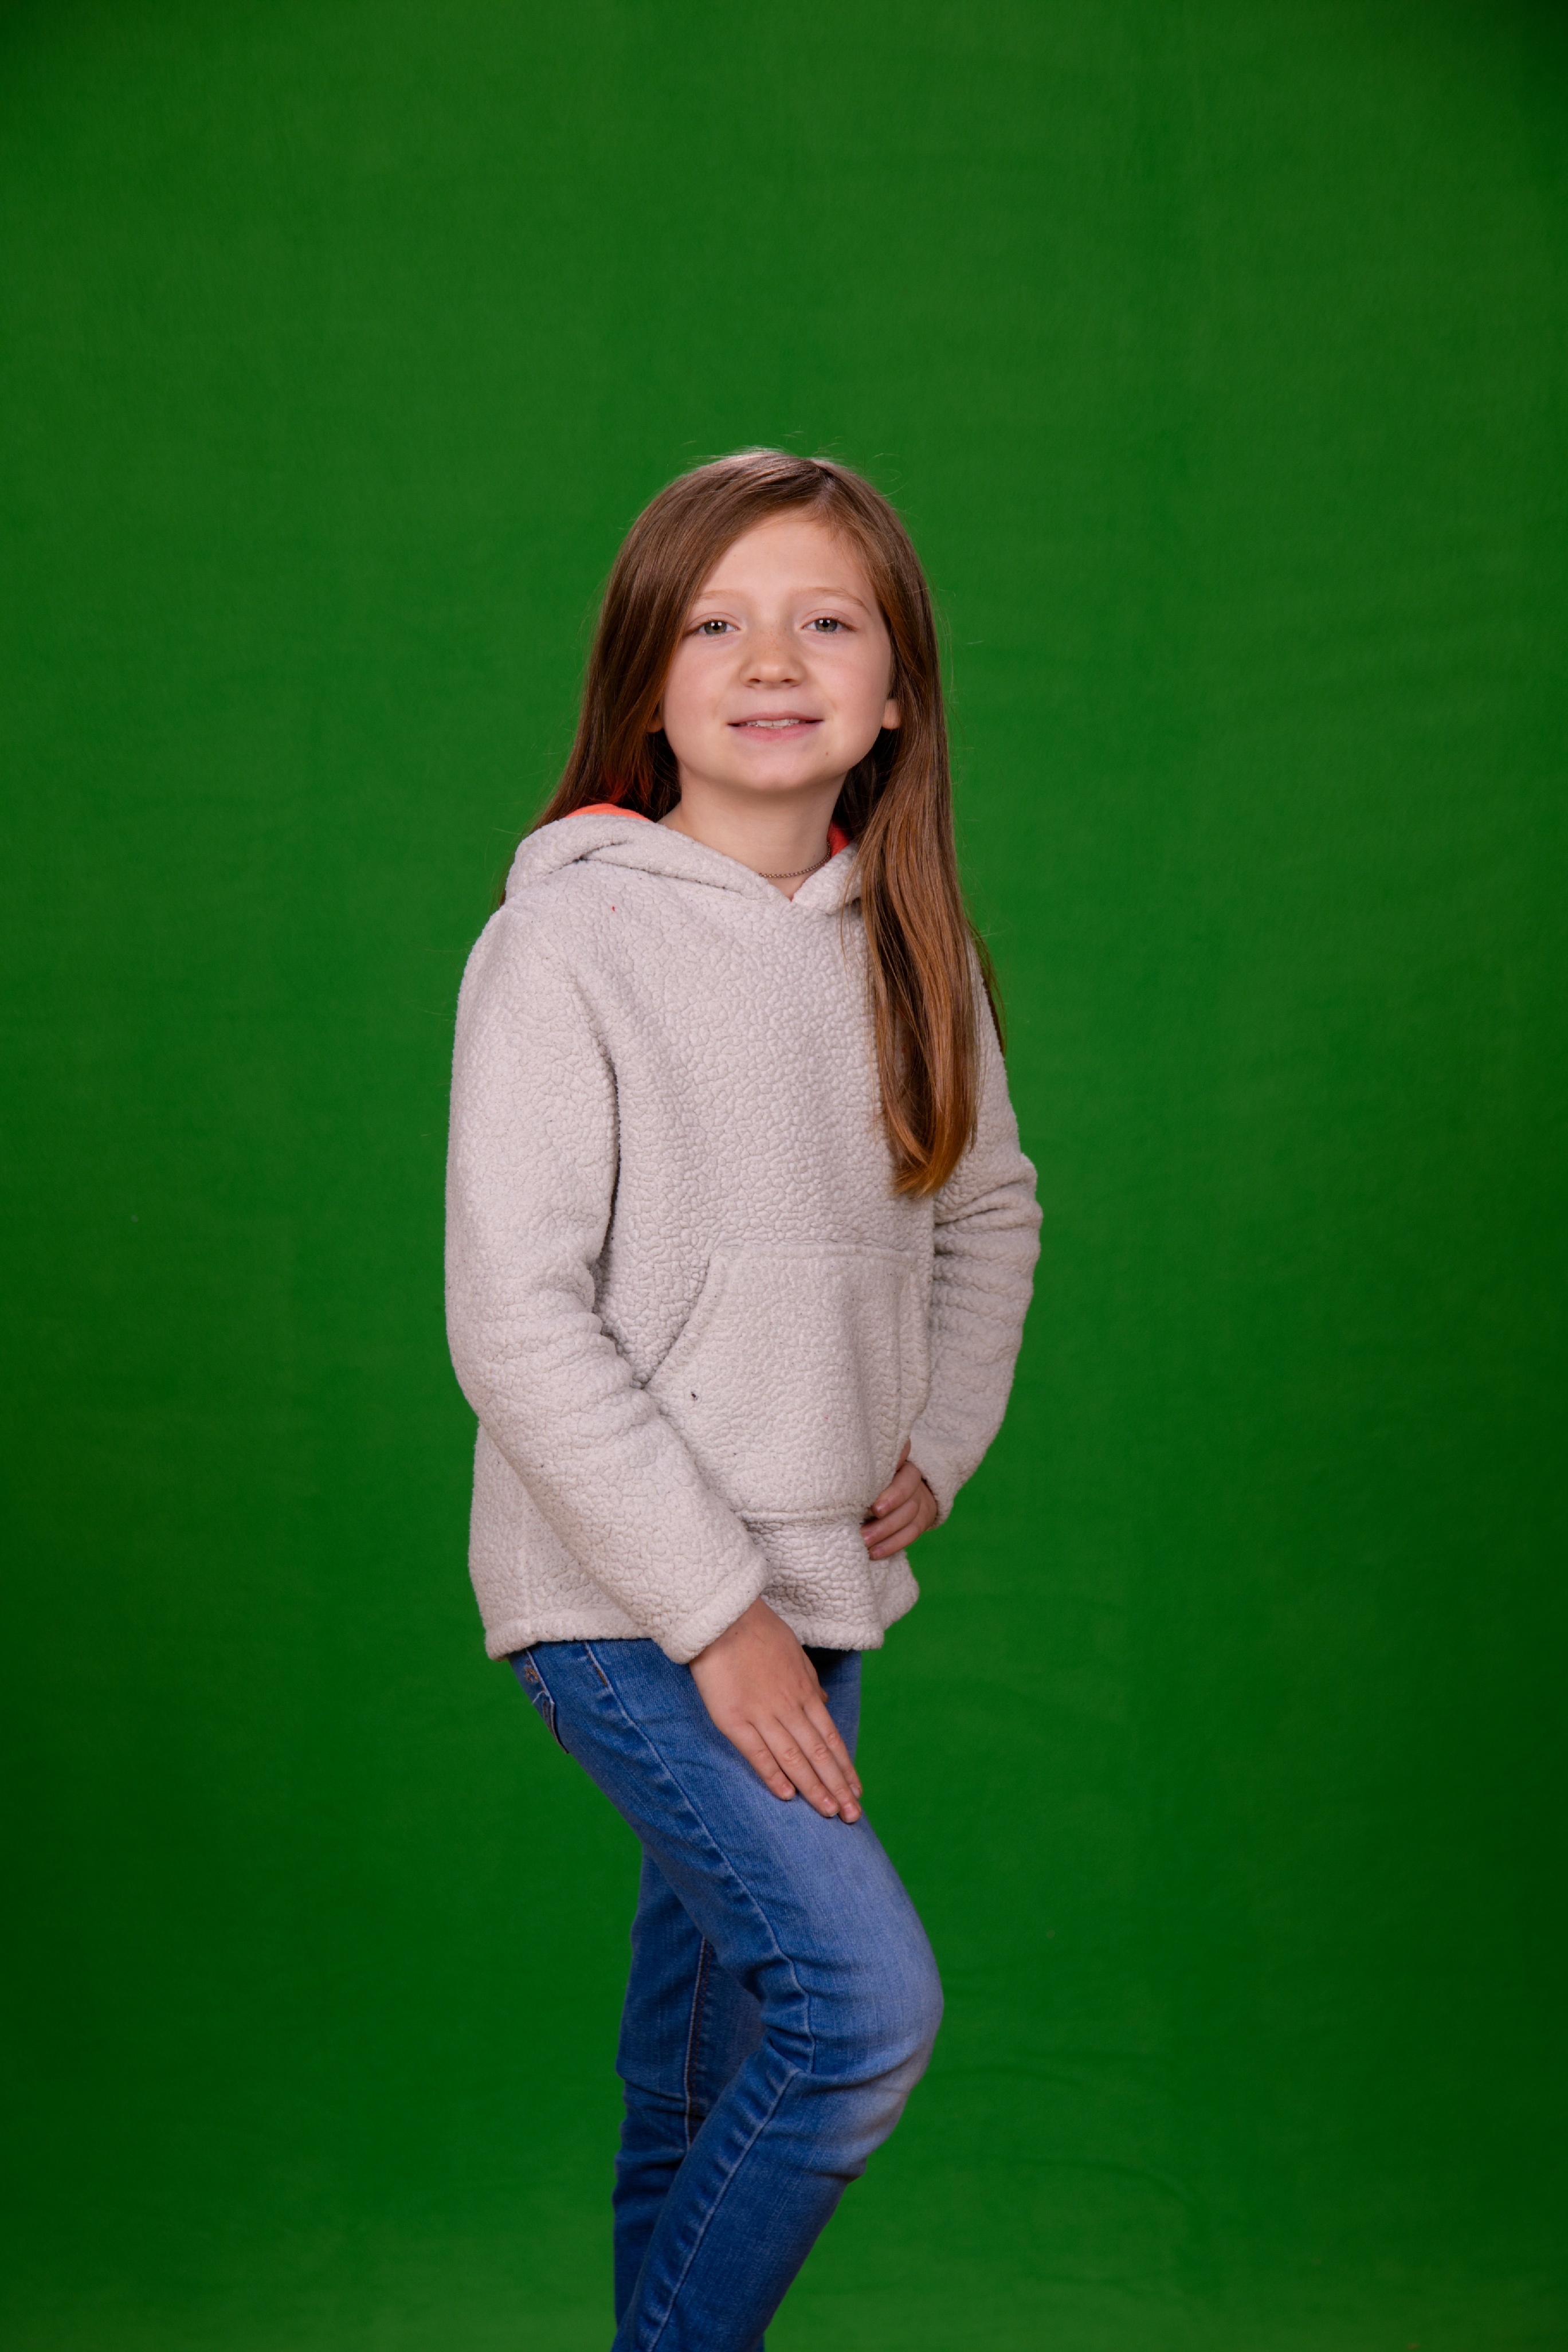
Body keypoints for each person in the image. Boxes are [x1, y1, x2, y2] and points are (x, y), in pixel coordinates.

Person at [445, 449, 1040, 2350]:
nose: (772, 660)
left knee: (698, 2087)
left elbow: (989, 1208)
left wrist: (939, 1435)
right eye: (716, 623)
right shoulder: (565, 941)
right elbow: (515, 1318)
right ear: (646, 683)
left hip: (817, 1579)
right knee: (860, 2009)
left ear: (897, 693)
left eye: (826, 621)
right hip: (627, 1597)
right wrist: (718, 1618)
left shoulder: (912, 946)